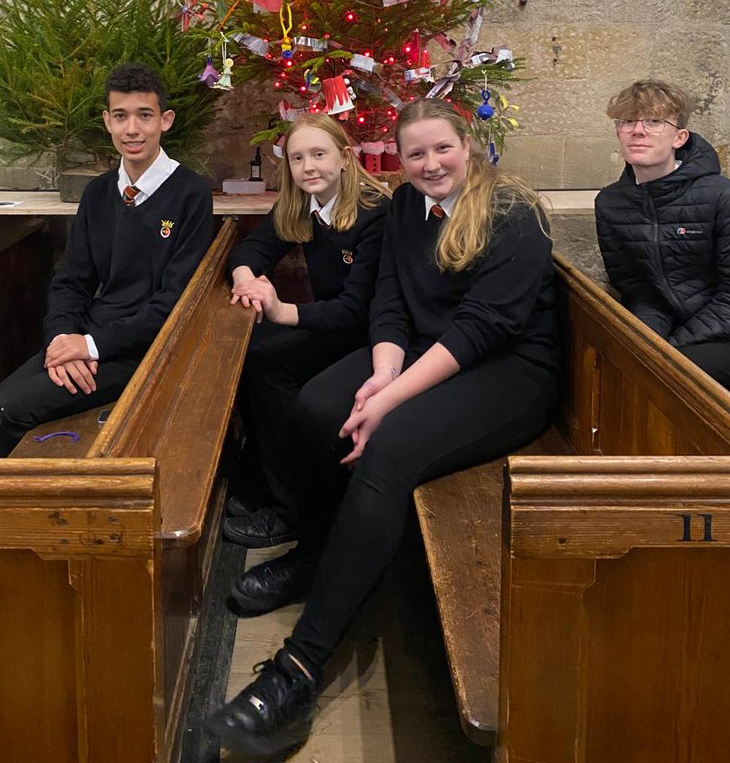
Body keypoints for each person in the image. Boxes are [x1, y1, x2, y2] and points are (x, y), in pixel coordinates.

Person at [209, 98, 561, 757]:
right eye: (416, 154)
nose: (430, 164)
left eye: (441, 149)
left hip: (508, 372)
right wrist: (379, 376)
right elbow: (393, 305)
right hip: (424, 355)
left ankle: (299, 670)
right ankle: (319, 550)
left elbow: (483, 328)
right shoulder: (405, 208)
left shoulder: (515, 214)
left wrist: (391, 400)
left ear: (468, 145)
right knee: (318, 408)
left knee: (388, 449)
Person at [0, 63, 214, 457]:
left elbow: (173, 304)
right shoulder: (97, 194)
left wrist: (92, 346)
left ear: (165, 120)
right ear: (107, 122)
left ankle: (45, 508)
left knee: (10, 413)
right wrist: (62, 338)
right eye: (120, 116)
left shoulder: (190, 193)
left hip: (140, 349)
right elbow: (71, 282)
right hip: (86, 337)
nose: (132, 129)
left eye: (144, 115)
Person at [224, 114, 389, 550]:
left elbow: (357, 310)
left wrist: (282, 311)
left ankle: (288, 510)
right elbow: (252, 248)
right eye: (298, 158)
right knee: (250, 353)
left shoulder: (373, 213)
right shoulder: (302, 204)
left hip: (375, 340)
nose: (308, 166)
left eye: (319, 154)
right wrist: (246, 278)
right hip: (335, 322)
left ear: (345, 157)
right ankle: (260, 477)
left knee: (270, 367)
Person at [595, 79, 730, 390]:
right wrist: (646, 340)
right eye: (628, 121)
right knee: (615, 365)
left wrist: (669, 347)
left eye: (654, 121)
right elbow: (640, 291)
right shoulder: (611, 203)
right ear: (618, 131)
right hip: (676, 332)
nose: (638, 130)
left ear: (679, 137)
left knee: (659, 375)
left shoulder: (724, 198)